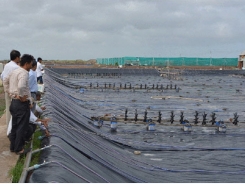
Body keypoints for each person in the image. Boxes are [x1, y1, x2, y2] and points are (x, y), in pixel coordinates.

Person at [3, 54, 33, 155]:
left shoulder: (14, 71)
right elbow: (21, 86)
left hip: (14, 102)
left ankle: (13, 146)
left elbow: (5, 80)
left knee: (15, 126)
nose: (31, 65)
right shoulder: (24, 73)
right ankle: (19, 148)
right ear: (27, 63)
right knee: (22, 126)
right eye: (31, 63)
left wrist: (9, 92)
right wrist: (21, 96)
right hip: (21, 103)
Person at [0, 50, 21, 125]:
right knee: (14, 109)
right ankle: (12, 127)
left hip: (7, 89)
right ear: (17, 57)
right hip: (13, 90)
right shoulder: (16, 67)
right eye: (19, 57)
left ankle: (8, 127)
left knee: (8, 107)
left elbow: (2, 76)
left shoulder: (7, 65)